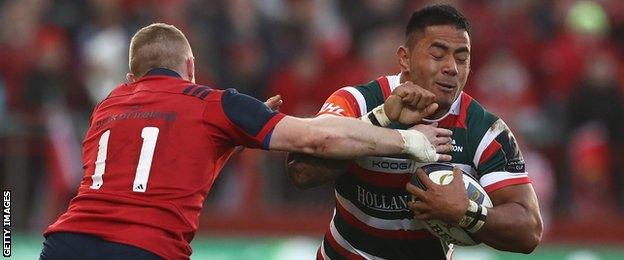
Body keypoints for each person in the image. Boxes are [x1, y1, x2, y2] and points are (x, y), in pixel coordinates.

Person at [38, 23, 451, 260]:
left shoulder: (109, 105)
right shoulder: (215, 104)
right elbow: (320, 139)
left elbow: (166, 158)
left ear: (131, 79)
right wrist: (406, 139)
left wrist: (231, 139)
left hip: (66, 243)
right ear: (191, 68)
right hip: (144, 249)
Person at [287, 5, 543, 259]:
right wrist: (383, 124)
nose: (452, 67)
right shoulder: (359, 102)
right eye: (438, 55)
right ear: (404, 59)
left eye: (462, 58)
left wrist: (468, 211)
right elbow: (300, 172)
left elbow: (530, 230)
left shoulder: (484, 130)